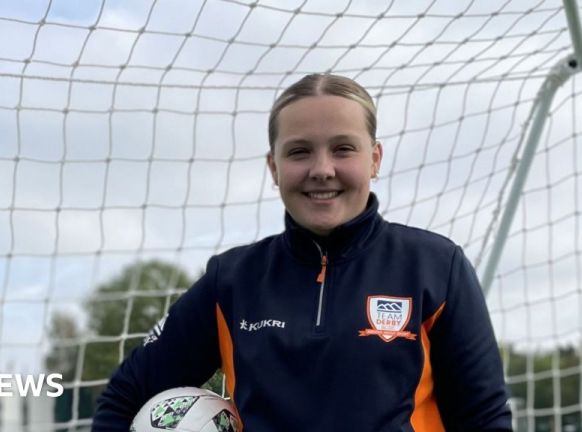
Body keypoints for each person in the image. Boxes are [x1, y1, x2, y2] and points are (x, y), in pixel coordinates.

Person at [92, 74, 512, 431]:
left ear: (374, 159)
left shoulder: (436, 267)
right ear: (274, 167)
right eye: (299, 152)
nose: (322, 169)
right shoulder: (232, 281)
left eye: (343, 149)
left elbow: (484, 418)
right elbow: (125, 398)